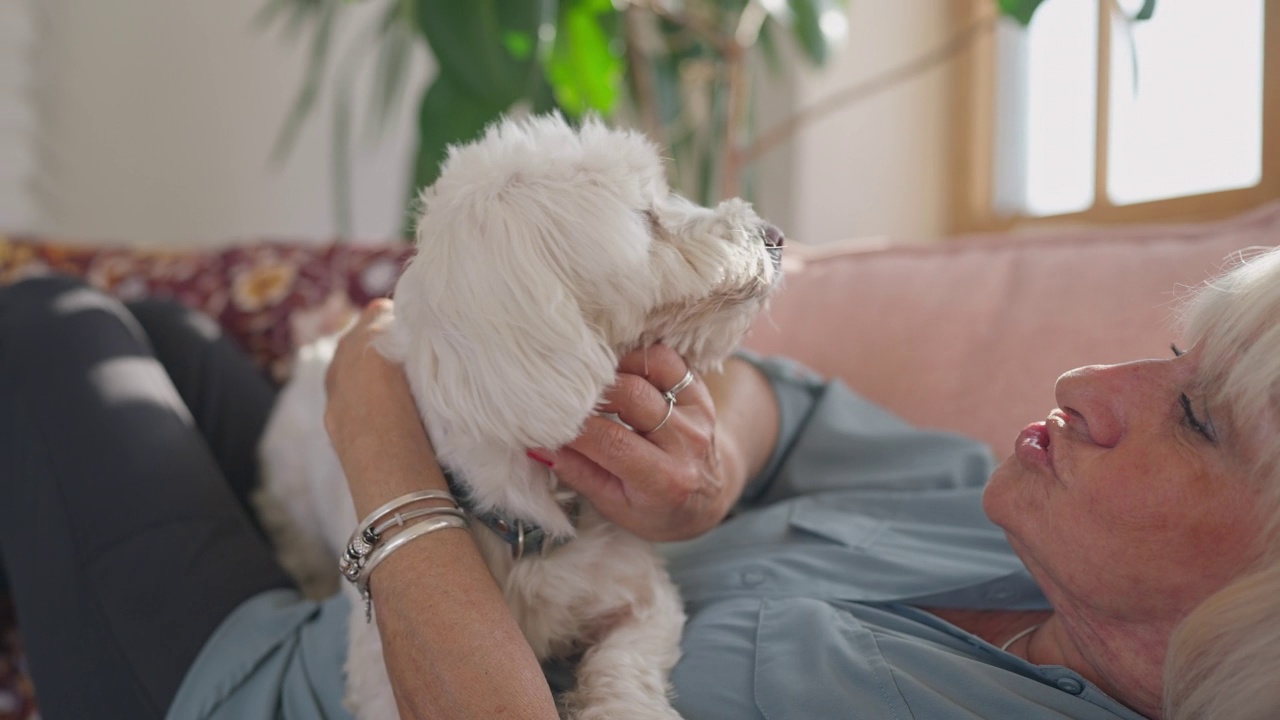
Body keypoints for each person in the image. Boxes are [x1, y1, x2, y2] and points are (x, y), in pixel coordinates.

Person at [0, 245, 1276, 720]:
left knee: (51, 324)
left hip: (263, 682)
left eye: (1194, 418)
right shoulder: (993, 513)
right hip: (348, 568)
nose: (1084, 381)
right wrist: (708, 462)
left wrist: (377, 442)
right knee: (156, 339)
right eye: (1162, 351)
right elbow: (786, 410)